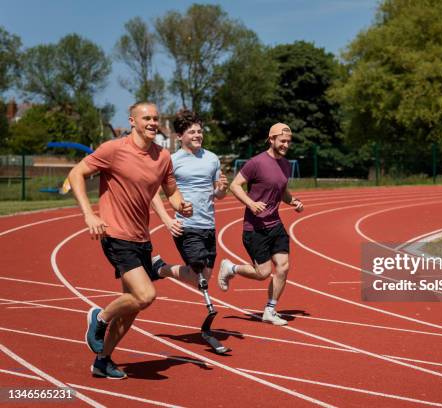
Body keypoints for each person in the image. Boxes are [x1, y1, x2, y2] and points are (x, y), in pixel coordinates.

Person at [68, 102, 192, 379]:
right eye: (146, 118)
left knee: (131, 309)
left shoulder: (163, 157)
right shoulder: (114, 149)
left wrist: (181, 205)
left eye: (156, 119)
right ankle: (99, 317)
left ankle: (102, 360)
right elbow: (76, 174)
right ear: (132, 121)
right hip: (115, 234)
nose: (152, 122)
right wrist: (90, 215)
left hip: (141, 238)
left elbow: (171, 192)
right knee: (145, 295)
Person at [217, 123, 304, 326]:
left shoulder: (286, 164)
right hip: (255, 228)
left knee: (283, 267)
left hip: (275, 224)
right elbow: (234, 185)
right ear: (271, 139)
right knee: (263, 273)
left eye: (288, 142)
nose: (285, 145)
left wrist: (293, 201)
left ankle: (270, 310)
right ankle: (231, 268)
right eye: (282, 141)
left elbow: (281, 191)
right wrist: (251, 203)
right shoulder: (256, 163)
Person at [150, 109, 227, 315]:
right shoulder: (172, 161)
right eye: (192, 132)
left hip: (208, 225)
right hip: (186, 226)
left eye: (199, 131)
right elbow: (152, 193)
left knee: (205, 276)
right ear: (180, 136)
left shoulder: (212, 158)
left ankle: (161, 268)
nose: (197, 135)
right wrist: (167, 220)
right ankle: (161, 269)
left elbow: (218, 194)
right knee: (198, 275)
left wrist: (221, 189)